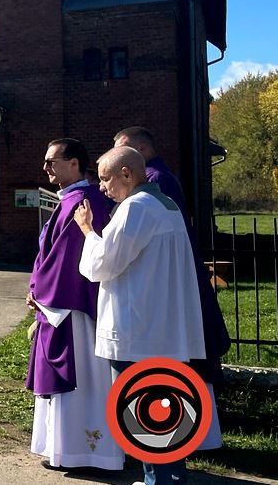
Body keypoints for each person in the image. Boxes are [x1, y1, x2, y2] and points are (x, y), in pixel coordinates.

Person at [76, 146, 205, 485]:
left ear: (127, 175)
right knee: (169, 412)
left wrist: (88, 230)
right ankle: (168, 478)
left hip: (137, 331)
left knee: (144, 414)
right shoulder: (167, 205)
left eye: (105, 179)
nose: (102, 187)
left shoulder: (135, 207)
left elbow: (103, 264)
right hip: (164, 328)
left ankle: (157, 481)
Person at [113, 127, 229, 447]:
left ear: (142, 148)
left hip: (167, 282)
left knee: (177, 362)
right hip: (175, 276)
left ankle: (183, 439)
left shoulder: (153, 183)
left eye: (124, 150)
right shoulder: (158, 180)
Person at [25, 140, 122, 471]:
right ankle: (65, 449)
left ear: (75, 164)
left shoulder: (83, 202)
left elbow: (67, 259)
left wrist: (40, 290)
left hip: (75, 308)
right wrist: (36, 285)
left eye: (52, 161)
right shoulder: (71, 200)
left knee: (85, 380)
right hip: (66, 304)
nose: (46, 168)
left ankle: (86, 452)